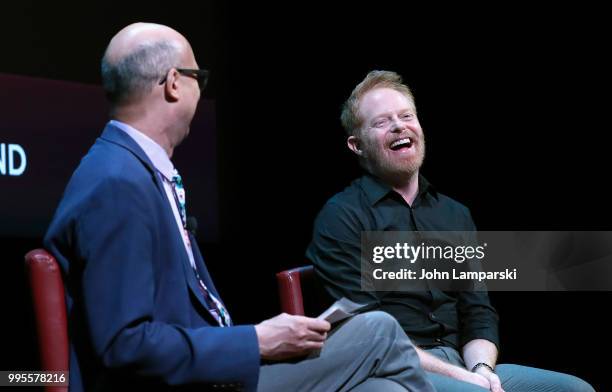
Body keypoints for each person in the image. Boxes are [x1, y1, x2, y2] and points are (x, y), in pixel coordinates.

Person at [43, 24, 434, 391]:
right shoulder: (118, 183)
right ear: (175, 84)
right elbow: (125, 346)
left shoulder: (131, 170)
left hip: (210, 371)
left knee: (385, 386)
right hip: (191, 382)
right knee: (379, 329)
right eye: (200, 78)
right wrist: (255, 341)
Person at [306, 70, 595, 392]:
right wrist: (468, 381)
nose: (399, 126)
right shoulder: (342, 216)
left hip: (464, 364)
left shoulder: (455, 214)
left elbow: (477, 311)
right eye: (382, 121)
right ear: (357, 145)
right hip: (389, 371)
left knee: (574, 389)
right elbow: (373, 336)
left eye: (406, 116)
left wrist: (483, 370)